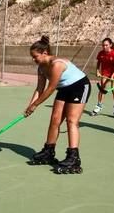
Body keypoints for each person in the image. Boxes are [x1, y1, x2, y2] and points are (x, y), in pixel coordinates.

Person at [25, 35, 91, 174]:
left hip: (79, 86)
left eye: (35, 56)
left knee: (71, 121)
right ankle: (49, 151)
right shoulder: (41, 68)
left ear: (44, 53)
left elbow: (51, 88)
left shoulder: (57, 64)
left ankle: (73, 158)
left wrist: (35, 105)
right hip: (64, 88)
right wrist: (30, 106)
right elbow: (39, 88)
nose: (33, 59)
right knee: (55, 120)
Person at [91, 37, 114, 118]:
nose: (104, 47)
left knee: (113, 88)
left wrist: (112, 75)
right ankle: (99, 106)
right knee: (102, 89)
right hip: (105, 73)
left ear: (110, 45)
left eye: (106, 45)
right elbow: (99, 63)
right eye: (103, 45)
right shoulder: (101, 53)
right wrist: (97, 71)